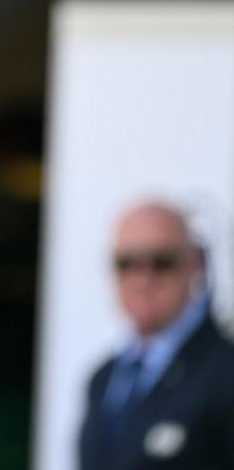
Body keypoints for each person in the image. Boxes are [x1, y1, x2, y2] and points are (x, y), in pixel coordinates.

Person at [78, 201, 234, 470]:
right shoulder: (102, 378)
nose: (142, 278)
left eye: (161, 262)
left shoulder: (225, 371)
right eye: (126, 263)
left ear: (196, 264)